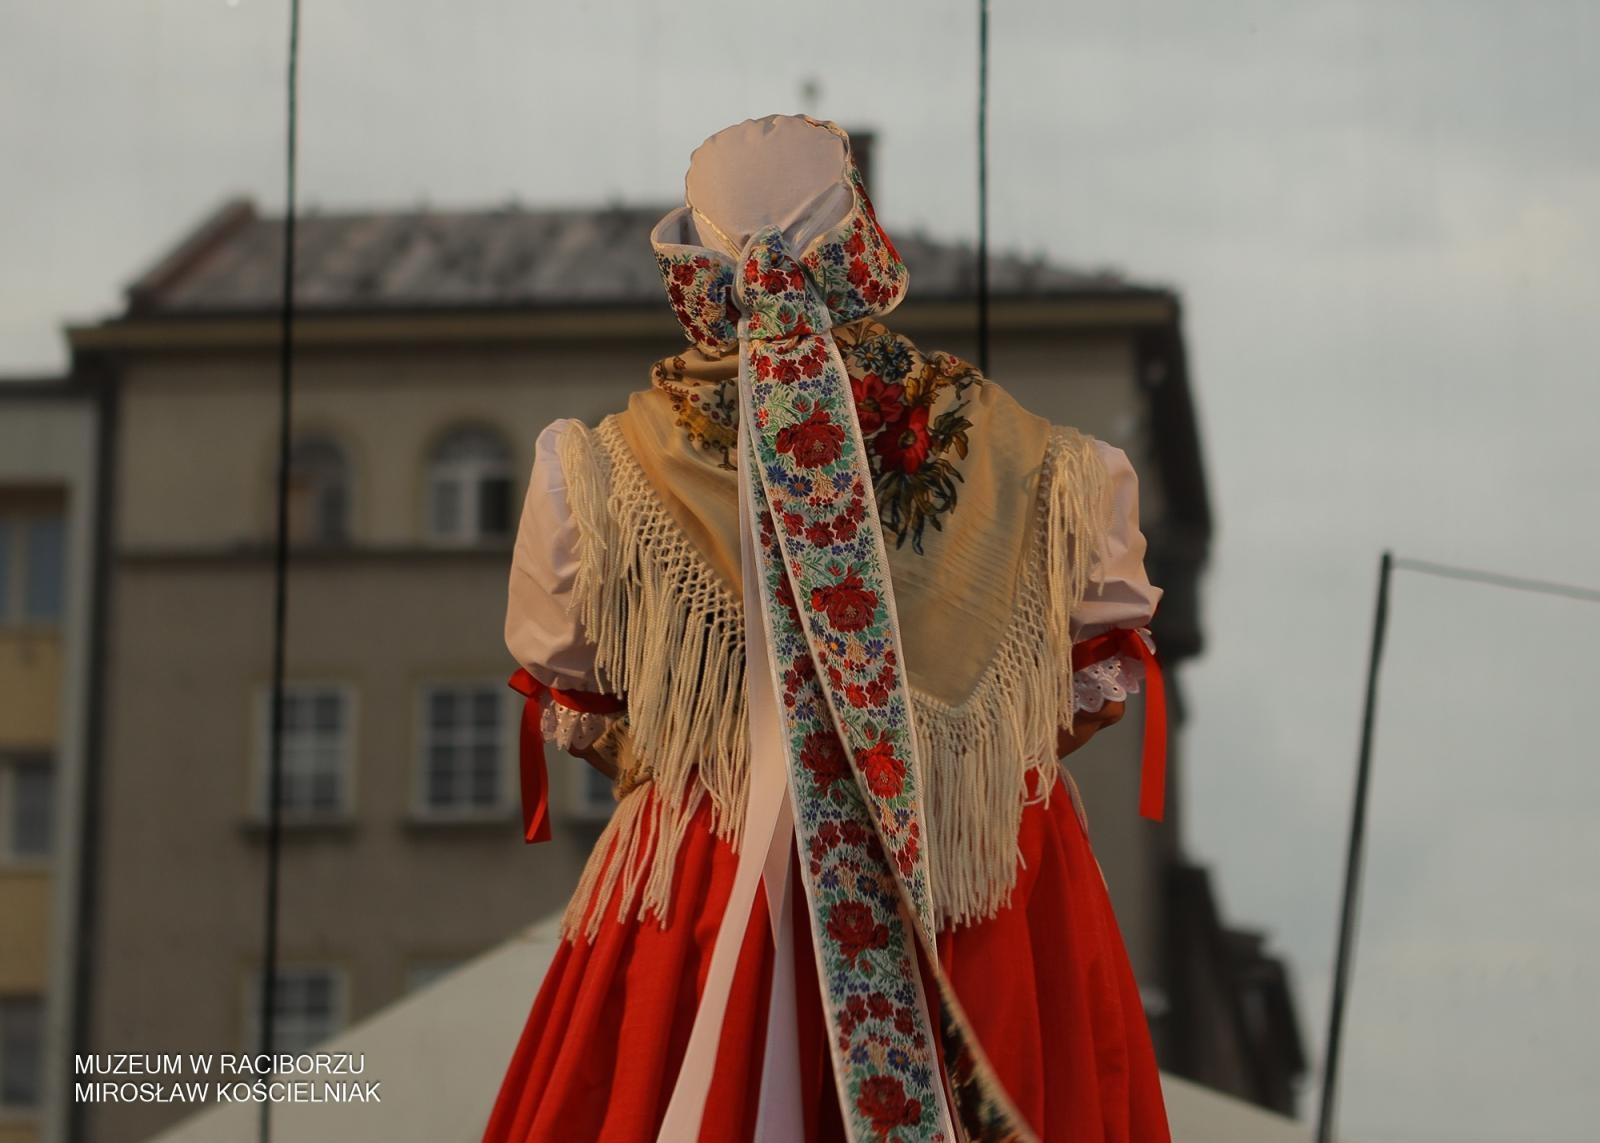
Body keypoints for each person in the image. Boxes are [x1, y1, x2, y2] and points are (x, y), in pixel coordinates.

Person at [484, 114, 1172, 1142]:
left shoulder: (597, 473)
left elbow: (585, 708)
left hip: (718, 879)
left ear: (696, 254)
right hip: (983, 883)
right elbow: (1086, 698)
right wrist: (946, 763)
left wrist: (726, 751)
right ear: (860, 226)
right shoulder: (1052, 469)